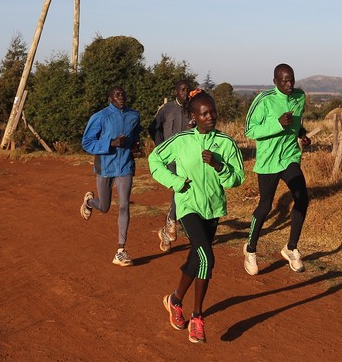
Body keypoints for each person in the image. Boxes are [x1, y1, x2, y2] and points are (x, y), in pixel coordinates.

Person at [148, 90, 244, 343]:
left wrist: (219, 166)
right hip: (188, 206)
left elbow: (237, 179)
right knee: (206, 257)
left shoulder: (226, 143)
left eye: (212, 111)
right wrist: (176, 182)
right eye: (204, 113)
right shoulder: (181, 141)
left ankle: (174, 300)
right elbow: (154, 160)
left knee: (196, 258)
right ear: (193, 116)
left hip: (212, 209)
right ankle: (198, 317)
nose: (210, 116)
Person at [243, 63, 312, 275]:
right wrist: (278, 123)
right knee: (265, 206)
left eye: (291, 79)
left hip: (289, 157)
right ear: (275, 82)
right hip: (268, 161)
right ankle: (250, 249)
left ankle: (291, 248)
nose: (289, 84)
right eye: (284, 81)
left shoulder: (300, 97)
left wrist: (301, 134)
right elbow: (249, 131)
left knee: (302, 197)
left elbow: (297, 123)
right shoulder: (264, 100)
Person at [80, 86, 142, 267]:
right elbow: (87, 142)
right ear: (110, 98)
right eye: (117, 95)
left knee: (124, 205)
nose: (121, 97)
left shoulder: (134, 115)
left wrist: (135, 144)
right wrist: (111, 143)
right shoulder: (100, 117)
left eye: (123, 94)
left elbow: (136, 133)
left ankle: (121, 251)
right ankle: (89, 202)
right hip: (105, 166)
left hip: (125, 166)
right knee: (105, 206)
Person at [147, 79, 194, 252]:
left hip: (190, 158)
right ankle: (172, 223)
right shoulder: (166, 109)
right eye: (182, 90)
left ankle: (167, 231)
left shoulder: (193, 109)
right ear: (176, 92)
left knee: (186, 190)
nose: (185, 93)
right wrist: (161, 147)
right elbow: (153, 128)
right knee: (179, 187)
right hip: (172, 158)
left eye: (188, 90)